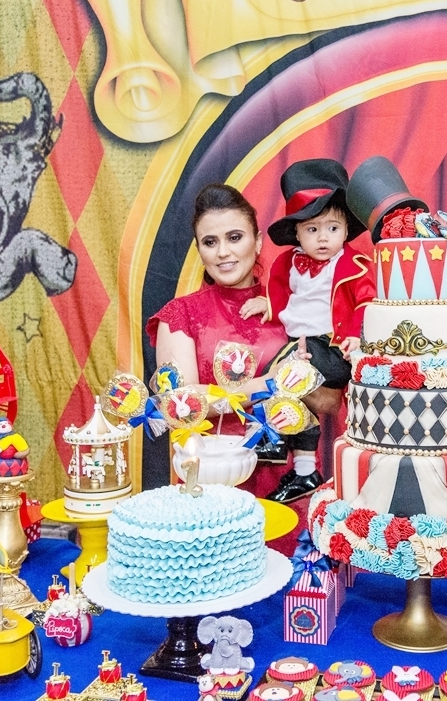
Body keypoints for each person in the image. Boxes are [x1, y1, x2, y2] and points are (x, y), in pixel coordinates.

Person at [147, 185, 340, 439]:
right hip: (208, 462)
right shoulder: (180, 315)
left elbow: (330, 402)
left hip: (288, 462)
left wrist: (298, 379)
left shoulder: (293, 308)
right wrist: (268, 383)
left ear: (258, 242)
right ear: (199, 250)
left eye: (235, 237)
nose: (223, 252)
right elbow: (180, 405)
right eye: (210, 242)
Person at [239, 158, 375, 502]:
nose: (323, 237)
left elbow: (366, 303)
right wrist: (267, 305)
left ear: (346, 230)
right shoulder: (288, 263)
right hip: (302, 344)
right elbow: (282, 294)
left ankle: (270, 433)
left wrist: (356, 337)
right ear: (297, 234)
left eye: (332, 228)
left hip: (333, 348)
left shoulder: (353, 265)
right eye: (312, 230)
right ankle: (305, 471)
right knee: (297, 396)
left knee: (281, 370)